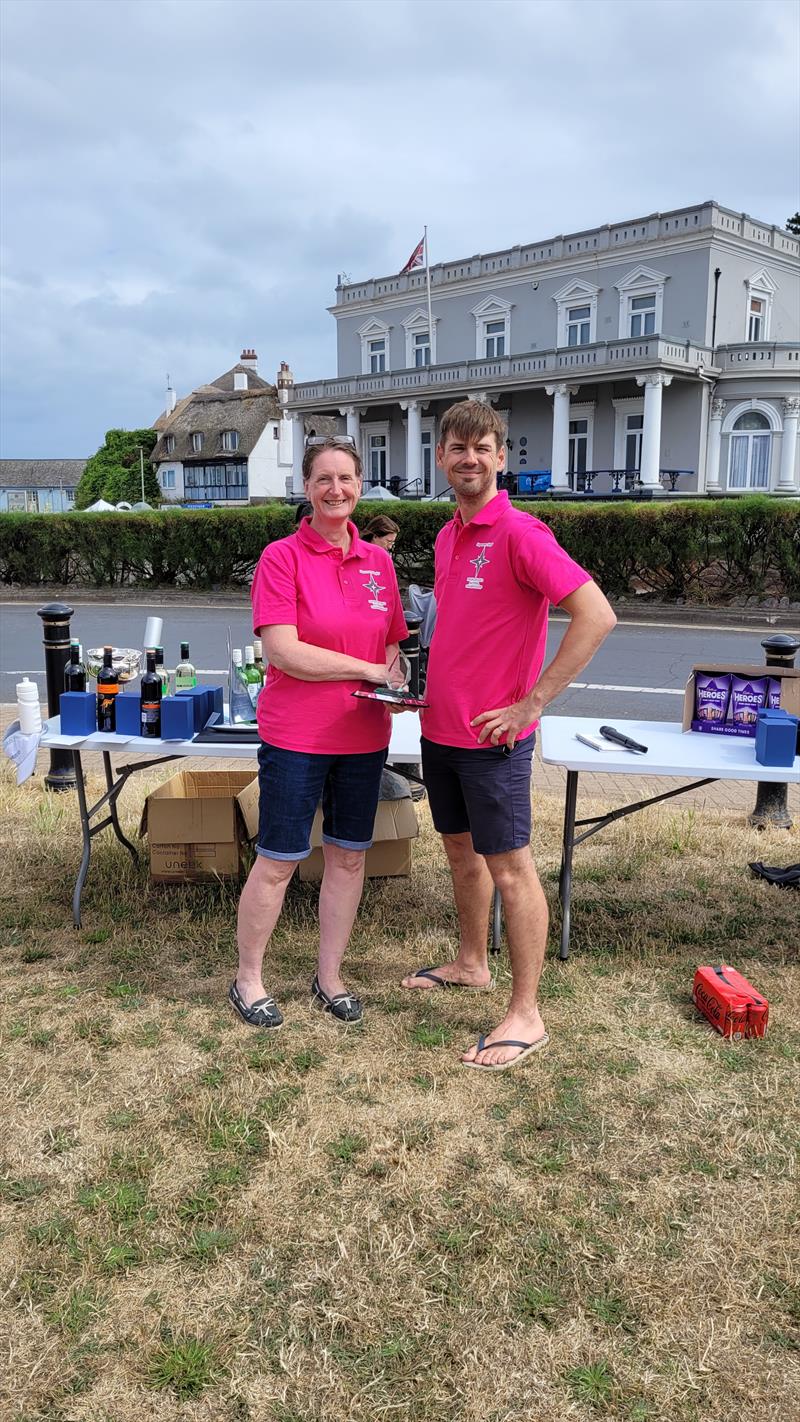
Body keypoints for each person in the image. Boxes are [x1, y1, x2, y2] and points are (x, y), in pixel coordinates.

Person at [400, 400, 616, 1071]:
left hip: (495, 739)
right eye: (457, 447)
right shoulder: (446, 535)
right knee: (461, 854)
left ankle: (527, 1013)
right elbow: (465, 631)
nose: (469, 458)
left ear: (501, 456)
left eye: (482, 447)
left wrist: (531, 705)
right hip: (442, 728)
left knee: (511, 869)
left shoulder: (522, 534)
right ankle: (472, 962)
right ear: (441, 457)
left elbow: (596, 615)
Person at [230, 435, 407, 1030]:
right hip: (297, 736)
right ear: (306, 489)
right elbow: (282, 651)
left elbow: (390, 642)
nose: (337, 490)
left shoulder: (379, 561)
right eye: (324, 479)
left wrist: (397, 682)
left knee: (349, 859)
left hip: (363, 734)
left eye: (347, 479)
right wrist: (365, 669)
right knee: (279, 859)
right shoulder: (282, 558)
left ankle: (329, 976)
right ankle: (248, 979)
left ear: (361, 486)